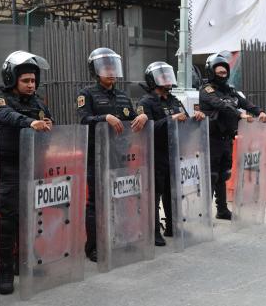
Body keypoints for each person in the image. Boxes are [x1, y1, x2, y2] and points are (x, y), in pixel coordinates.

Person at [0, 51, 53, 295]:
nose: (31, 85)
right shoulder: (0, 101)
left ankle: (23, 262)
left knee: (31, 215)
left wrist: (47, 124)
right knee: (8, 220)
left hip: (33, 164)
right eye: (26, 81)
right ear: (12, 79)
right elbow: (6, 116)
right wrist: (30, 123)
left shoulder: (38, 102)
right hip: (9, 167)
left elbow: (48, 119)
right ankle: (4, 271)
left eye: (33, 81)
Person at [77, 48, 149, 258]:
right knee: (96, 203)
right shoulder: (87, 94)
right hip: (97, 157)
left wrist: (143, 118)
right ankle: (93, 247)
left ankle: (122, 238)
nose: (110, 71)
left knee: (120, 198)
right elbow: (83, 120)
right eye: (105, 68)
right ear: (95, 70)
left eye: (112, 67)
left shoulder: (123, 97)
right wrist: (104, 117)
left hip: (120, 156)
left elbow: (135, 118)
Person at [138, 62, 205, 241]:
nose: (167, 79)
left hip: (173, 152)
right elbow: (148, 128)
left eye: (168, 76)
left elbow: (184, 124)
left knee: (172, 191)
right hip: (155, 153)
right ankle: (153, 233)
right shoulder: (146, 102)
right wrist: (171, 118)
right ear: (153, 80)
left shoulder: (174, 100)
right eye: (162, 76)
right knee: (155, 193)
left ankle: (172, 227)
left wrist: (196, 119)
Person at [199, 53, 266, 220]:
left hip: (226, 138)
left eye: (224, 73)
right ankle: (205, 215)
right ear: (211, 72)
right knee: (211, 176)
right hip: (211, 139)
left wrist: (259, 112)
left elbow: (244, 102)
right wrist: (239, 115)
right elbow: (220, 105)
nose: (222, 75)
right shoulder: (207, 90)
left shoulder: (229, 90)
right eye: (219, 72)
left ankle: (221, 210)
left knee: (223, 174)